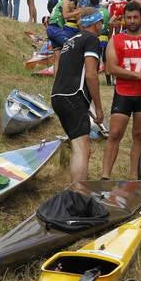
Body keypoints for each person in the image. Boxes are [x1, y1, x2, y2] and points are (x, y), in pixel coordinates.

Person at [102, 3, 141, 179]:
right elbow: (112, 68)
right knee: (115, 133)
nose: (131, 21)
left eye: (135, 17)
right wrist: (137, 76)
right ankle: (105, 176)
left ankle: (134, 176)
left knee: (138, 135)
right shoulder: (116, 40)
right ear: (124, 19)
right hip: (124, 93)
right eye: (128, 17)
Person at [50, 10, 105, 182]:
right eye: (101, 22)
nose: (102, 26)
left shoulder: (70, 41)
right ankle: (78, 195)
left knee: (80, 146)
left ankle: (78, 190)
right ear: (96, 24)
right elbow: (91, 75)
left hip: (57, 96)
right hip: (73, 96)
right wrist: (99, 107)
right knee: (82, 148)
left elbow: (58, 69)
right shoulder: (91, 40)